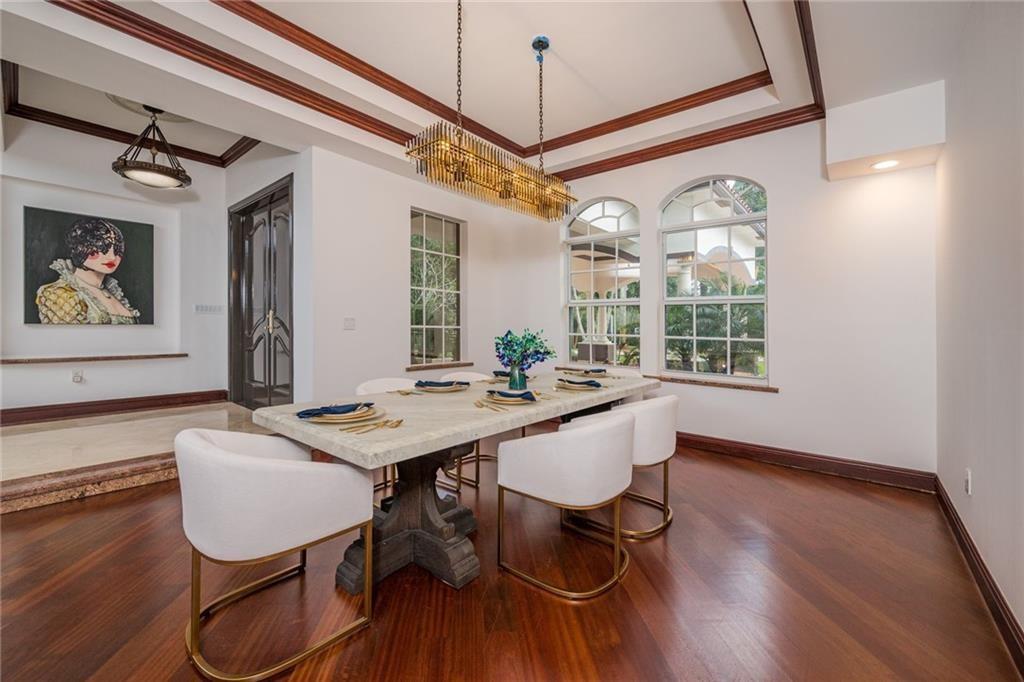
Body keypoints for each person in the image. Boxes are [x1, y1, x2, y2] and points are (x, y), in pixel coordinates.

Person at [36, 217, 140, 324]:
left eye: (117, 249)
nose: (112, 257)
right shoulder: (59, 293)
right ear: (80, 248)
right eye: (101, 247)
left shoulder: (113, 292)